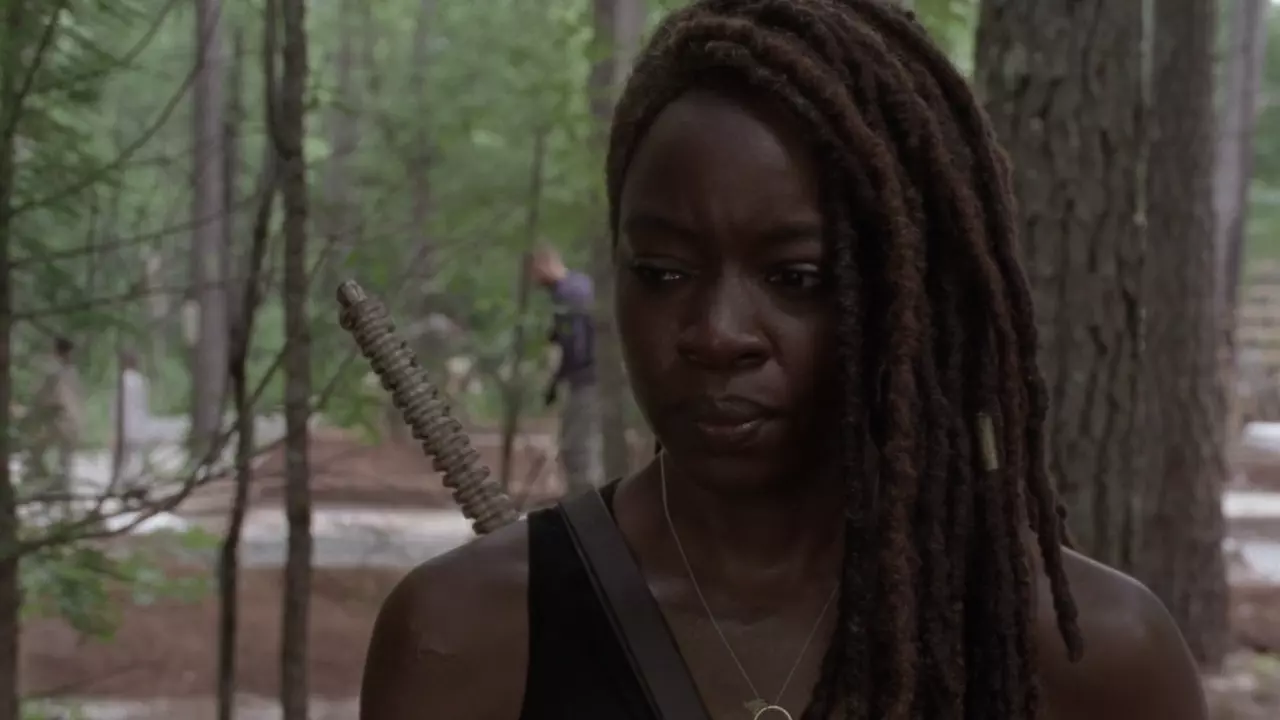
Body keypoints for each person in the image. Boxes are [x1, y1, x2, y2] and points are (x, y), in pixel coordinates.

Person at [360, 2, 1206, 719]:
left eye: (798, 277)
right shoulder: (468, 638)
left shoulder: (1092, 659)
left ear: (915, 297)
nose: (717, 333)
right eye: (664, 273)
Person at [529, 244, 603, 493]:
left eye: (534, 272)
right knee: (579, 447)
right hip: (588, 379)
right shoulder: (579, 286)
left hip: (587, 380)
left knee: (578, 451)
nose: (534, 281)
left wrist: (555, 381)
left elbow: (576, 346)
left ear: (544, 264)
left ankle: (587, 508)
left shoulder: (569, 293)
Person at [25, 336, 84, 510]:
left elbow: (42, 396)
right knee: (52, 454)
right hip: (63, 419)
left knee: (50, 454)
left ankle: (55, 489)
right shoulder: (63, 371)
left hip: (63, 419)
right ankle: (54, 487)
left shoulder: (59, 371)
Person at [113, 350, 153, 487]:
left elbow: (117, 406)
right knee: (136, 457)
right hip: (138, 425)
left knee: (124, 458)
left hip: (124, 426)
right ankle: (135, 482)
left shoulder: (122, 381)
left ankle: (125, 483)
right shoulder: (141, 381)